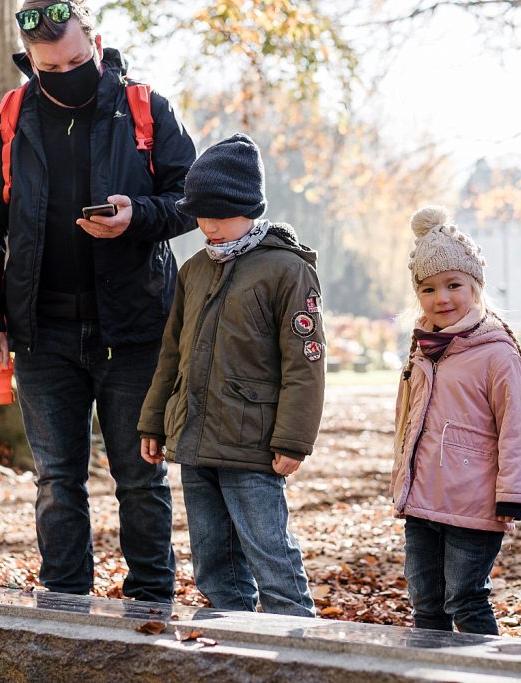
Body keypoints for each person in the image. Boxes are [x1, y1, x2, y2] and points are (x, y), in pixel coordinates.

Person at [0, 0, 197, 603]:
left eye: (75, 59)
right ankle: (64, 606)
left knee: (141, 479)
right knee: (56, 481)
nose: (66, 72)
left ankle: (153, 603)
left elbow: (191, 199)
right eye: (49, 66)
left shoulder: (145, 108)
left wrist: (136, 216)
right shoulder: (10, 118)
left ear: (96, 41)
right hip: (41, 337)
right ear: (31, 62)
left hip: (136, 332)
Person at [137, 133, 324, 617]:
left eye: (218, 215)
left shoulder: (286, 269)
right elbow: (171, 353)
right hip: (195, 438)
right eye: (200, 216)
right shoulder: (194, 270)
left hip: (252, 444)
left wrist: (293, 439)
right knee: (212, 557)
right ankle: (229, 636)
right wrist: (153, 421)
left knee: (269, 550)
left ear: (249, 207)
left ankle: (298, 641)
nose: (207, 227)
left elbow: (304, 364)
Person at [391, 205, 521, 635]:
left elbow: (516, 427)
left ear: (475, 287)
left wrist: (513, 492)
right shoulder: (423, 350)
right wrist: (402, 479)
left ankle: (486, 671)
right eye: (429, 289)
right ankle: (429, 671)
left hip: (473, 503)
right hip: (423, 500)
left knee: (465, 597)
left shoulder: (496, 353)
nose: (442, 298)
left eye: (453, 285)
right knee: (425, 600)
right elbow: (408, 425)